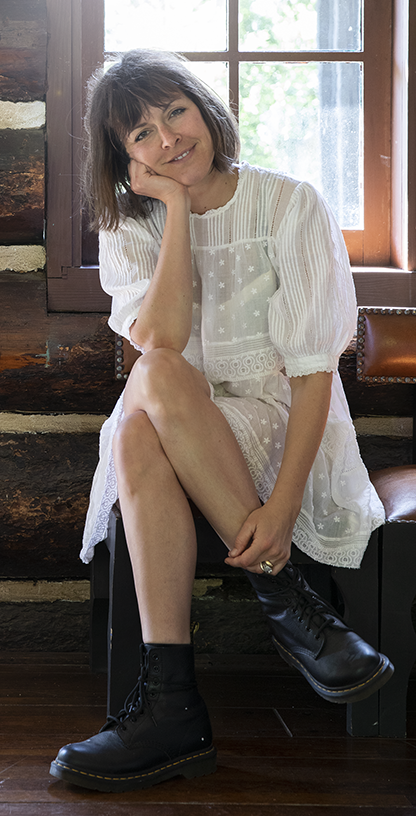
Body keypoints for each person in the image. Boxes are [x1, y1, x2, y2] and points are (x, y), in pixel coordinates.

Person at [50, 50, 392, 794]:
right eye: (139, 133)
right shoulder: (133, 226)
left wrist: (287, 502)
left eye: (174, 111)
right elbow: (164, 341)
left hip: (283, 423)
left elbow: (312, 374)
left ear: (205, 109)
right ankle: (287, 600)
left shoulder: (288, 203)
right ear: (123, 158)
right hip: (176, 414)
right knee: (156, 388)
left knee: (146, 413)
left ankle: (171, 706)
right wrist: (173, 210)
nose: (168, 139)